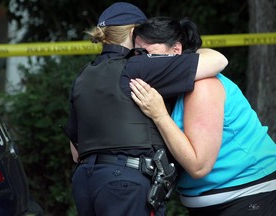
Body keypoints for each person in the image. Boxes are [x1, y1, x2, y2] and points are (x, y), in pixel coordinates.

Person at [65, 2, 228, 216]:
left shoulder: (84, 75)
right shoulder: (138, 66)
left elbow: (75, 150)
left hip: (86, 181)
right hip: (126, 184)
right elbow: (218, 60)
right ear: (134, 32)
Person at [129, 44, 276, 216]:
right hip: (215, 201)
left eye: (149, 52)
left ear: (176, 50)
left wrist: (159, 115)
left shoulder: (203, 86)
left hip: (248, 194)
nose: (141, 59)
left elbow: (198, 167)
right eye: (136, 52)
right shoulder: (169, 88)